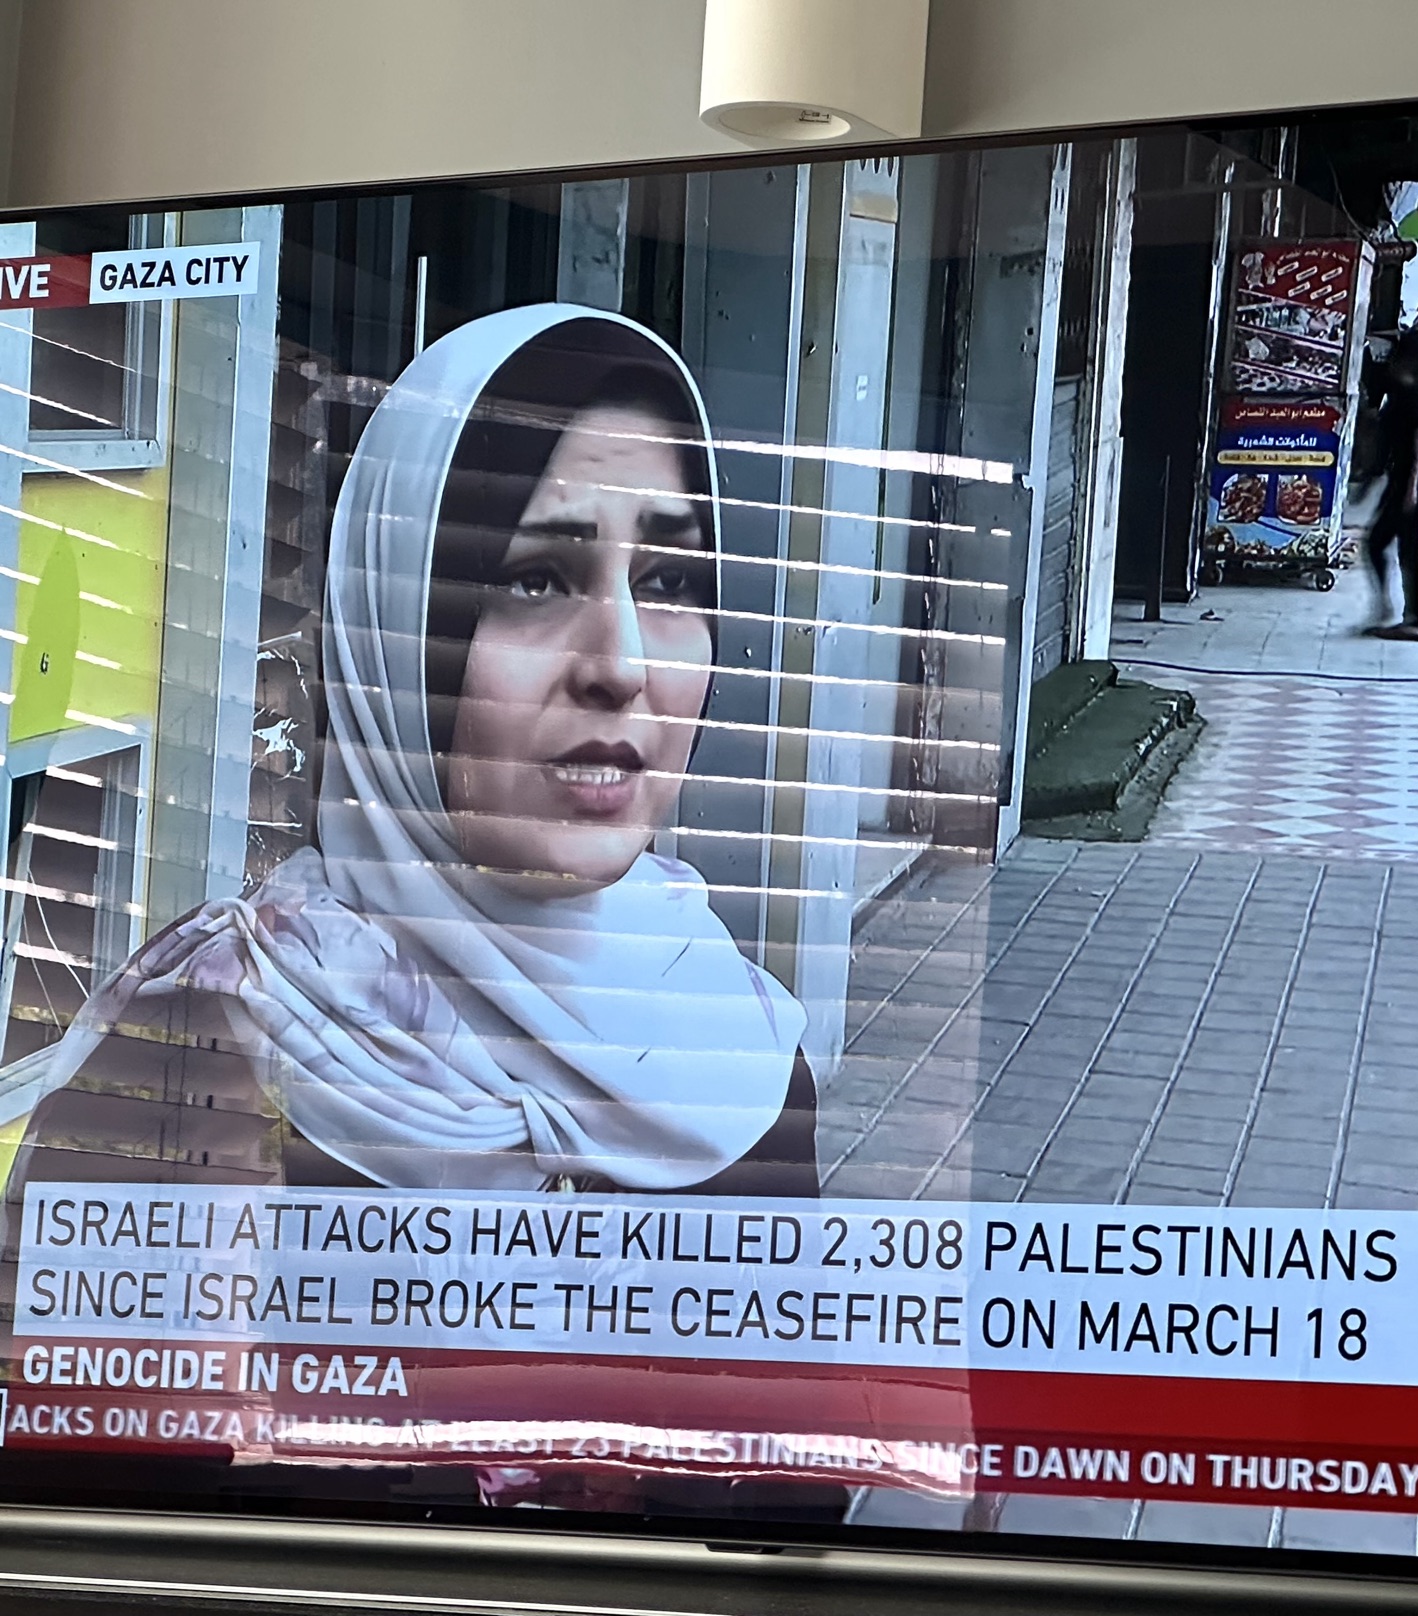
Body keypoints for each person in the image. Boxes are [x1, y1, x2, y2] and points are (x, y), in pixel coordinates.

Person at [0, 306, 834, 1516]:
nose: (621, 663)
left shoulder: (738, 1056)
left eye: (668, 581)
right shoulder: (207, 1046)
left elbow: (797, 1501)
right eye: (535, 579)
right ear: (391, 629)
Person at [1363, 328, 1418, 643]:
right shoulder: (1400, 389)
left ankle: (1407, 617)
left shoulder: (1411, 393)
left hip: (1411, 479)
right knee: (1396, 545)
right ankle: (1400, 613)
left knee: (1393, 545)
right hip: (1404, 478)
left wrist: (1411, 488)